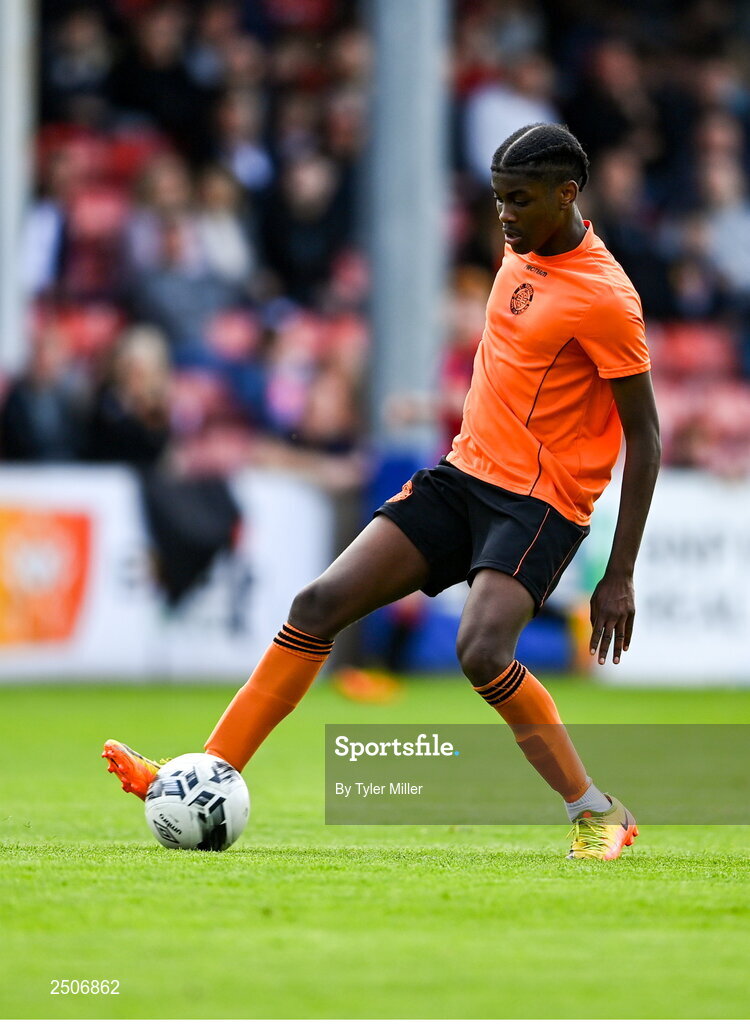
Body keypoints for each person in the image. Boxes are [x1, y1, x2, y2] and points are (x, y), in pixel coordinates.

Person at [103, 123, 661, 861]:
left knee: (483, 651)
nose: (503, 215)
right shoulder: (518, 250)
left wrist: (618, 575)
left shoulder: (608, 299)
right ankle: (204, 776)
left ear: (568, 195)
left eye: (519, 201)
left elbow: (646, 435)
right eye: (497, 199)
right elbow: (518, 373)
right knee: (317, 606)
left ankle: (596, 811)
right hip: (462, 475)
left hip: (541, 502)